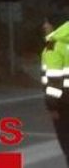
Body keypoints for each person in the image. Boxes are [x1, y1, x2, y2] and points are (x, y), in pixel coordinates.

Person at [42, 15, 69, 164]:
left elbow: (54, 80)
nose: (44, 27)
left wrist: (52, 106)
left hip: (65, 104)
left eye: (46, 24)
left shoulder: (53, 44)